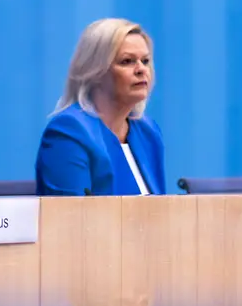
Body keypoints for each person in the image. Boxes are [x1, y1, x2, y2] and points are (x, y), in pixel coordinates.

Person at [35, 18, 165, 196]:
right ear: (95, 71)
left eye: (145, 61)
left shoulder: (148, 132)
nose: (141, 69)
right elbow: (70, 219)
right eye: (127, 61)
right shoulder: (69, 132)